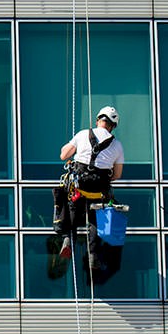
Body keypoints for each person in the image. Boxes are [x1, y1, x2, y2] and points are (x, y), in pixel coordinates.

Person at [54, 106, 125, 271]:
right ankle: (93, 255)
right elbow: (117, 174)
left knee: (69, 204)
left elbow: (63, 155)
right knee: (94, 218)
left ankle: (67, 240)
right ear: (112, 126)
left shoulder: (82, 134)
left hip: (79, 185)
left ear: (98, 120)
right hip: (98, 190)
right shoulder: (117, 145)